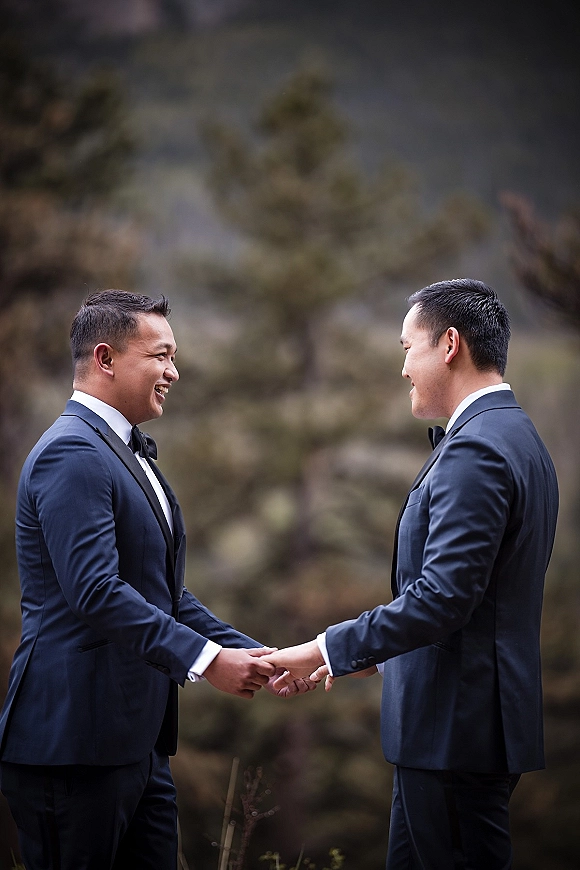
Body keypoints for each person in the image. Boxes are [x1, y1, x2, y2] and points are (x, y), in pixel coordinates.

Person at [0, 290, 313, 870]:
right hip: (73, 745)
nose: (173, 371)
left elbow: (165, 594)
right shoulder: (71, 452)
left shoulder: (123, 452)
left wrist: (262, 658)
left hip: (138, 748)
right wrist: (206, 661)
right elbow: (96, 591)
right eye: (160, 355)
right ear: (105, 358)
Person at [265, 279, 559, 869]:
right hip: (460, 731)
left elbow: (443, 599)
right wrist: (371, 657)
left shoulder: (477, 449)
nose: (402, 368)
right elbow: (478, 600)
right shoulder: (517, 436)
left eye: (407, 348)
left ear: (449, 345)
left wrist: (325, 648)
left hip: (455, 732)